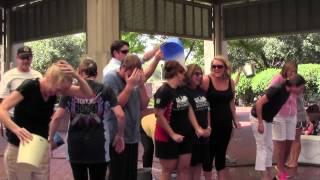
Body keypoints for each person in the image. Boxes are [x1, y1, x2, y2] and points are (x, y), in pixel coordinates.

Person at [0, 59, 93, 180]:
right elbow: (2, 109)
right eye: (58, 89)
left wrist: (76, 76)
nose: (59, 94)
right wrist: (16, 129)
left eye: (61, 91)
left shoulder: (55, 90)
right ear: (51, 79)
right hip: (19, 148)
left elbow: (87, 94)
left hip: (40, 147)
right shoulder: (30, 86)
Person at [49, 58, 125, 180]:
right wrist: (119, 135)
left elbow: (57, 117)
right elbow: (120, 115)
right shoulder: (106, 90)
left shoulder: (70, 90)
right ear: (96, 73)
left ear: (79, 72)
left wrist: (51, 138)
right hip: (99, 144)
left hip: (75, 145)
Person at [154, 61, 206, 180]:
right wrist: (172, 134)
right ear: (177, 73)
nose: (185, 76)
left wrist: (197, 127)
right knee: (168, 170)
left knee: (184, 168)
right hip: (167, 137)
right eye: (183, 73)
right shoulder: (163, 91)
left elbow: (188, 108)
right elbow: (158, 115)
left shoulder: (182, 89)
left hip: (185, 135)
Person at [103, 54, 150, 180]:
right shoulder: (110, 78)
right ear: (123, 67)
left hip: (133, 135)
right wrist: (129, 86)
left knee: (130, 175)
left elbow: (144, 105)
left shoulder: (135, 80)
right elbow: (116, 105)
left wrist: (141, 85)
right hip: (117, 136)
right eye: (130, 74)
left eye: (135, 74)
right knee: (118, 174)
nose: (132, 77)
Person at [250, 74, 306, 180]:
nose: (301, 91)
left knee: (269, 146)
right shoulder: (276, 89)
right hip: (257, 118)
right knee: (262, 147)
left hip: (268, 119)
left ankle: (274, 173)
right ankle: (264, 176)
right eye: (301, 88)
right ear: (294, 85)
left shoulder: (288, 92)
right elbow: (259, 103)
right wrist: (260, 123)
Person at [200, 55, 240, 180]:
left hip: (226, 124)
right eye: (214, 66)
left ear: (225, 68)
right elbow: (199, 101)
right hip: (210, 124)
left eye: (219, 66)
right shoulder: (206, 80)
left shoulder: (230, 81)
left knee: (221, 156)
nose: (216, 69)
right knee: (208, 156)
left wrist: (235, 120)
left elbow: (231, 103)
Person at [268, 62, 299, 179]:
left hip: (292, 115)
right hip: (279, 115)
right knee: (280, 143)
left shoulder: (296, 81)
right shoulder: (278, 78)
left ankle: (280, 166)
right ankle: (280, 170)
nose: (292, 73)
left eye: (294, 71)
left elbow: (297, 97)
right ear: (285, 70)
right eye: (290, 70)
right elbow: (269, 93)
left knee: (290, 142)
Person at [184, 64, 211, 180]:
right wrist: (197, 129)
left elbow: (208, 110)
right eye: (196, 74)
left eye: (200, 74)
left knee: (199, 165)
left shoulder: (202, 91)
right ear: (189, 75)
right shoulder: (184, 92)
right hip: (191, 135)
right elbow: (186, 112)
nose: (199, 76)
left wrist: (209, 127)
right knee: (190, 166)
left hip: (204, 134)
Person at [285, 93, 307, 168]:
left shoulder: (295, 90)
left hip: (298, 117)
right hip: (292, 117)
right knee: (292, 140)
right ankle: (291, 160)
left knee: (296, 140)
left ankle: (294, 161)